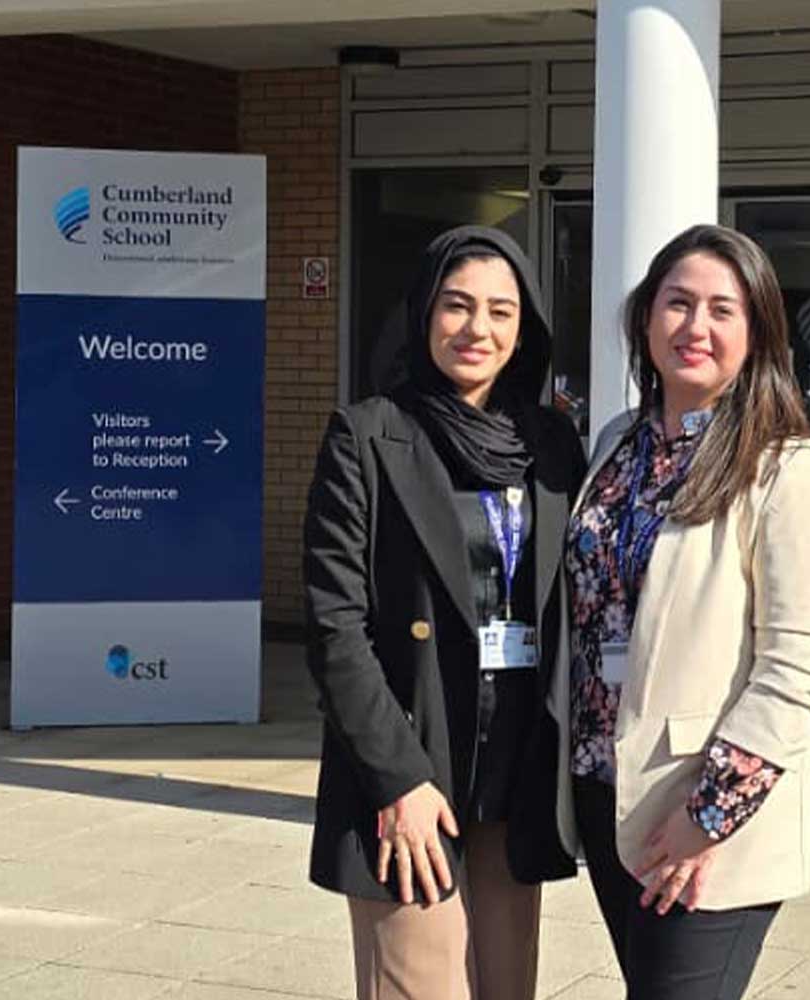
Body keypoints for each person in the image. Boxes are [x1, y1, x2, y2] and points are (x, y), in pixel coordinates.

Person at [556, 224, 810, 999]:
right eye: (677, 303)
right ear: (645, 319)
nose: (696, 327)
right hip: (610, 791)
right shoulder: (618, 444)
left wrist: (707, 815)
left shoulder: (790, 469)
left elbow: (796, 671)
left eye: (723, 310)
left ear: (756, 334)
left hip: (707, 815)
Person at [303, 226, 584, 1000]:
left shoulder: (551, 444)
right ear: (425, 313)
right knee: (418, 987)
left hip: (516, 766)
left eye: (501, 311)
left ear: (523, 329)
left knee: (507, 987)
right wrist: (397, 780)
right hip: (416, 760)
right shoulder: (367, 436)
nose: (478, 329)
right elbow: (335, 627)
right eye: (458, 306)